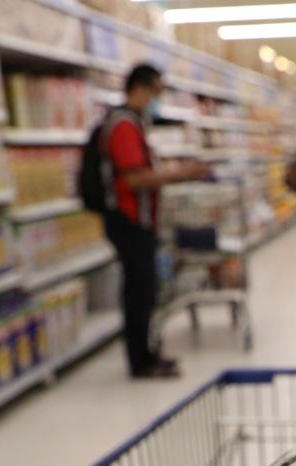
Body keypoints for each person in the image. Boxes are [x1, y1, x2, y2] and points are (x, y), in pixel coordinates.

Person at [100, 63, 210, 379]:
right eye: (156, 92)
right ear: (140, 88)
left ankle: (148, 355)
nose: (157, 99)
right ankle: (141, 362)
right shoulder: (123, 125)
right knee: (138, 292)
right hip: (129, 221)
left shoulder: (133, 122)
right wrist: (179, 174)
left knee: (145, 291)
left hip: (138, 221)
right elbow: (134, 180)